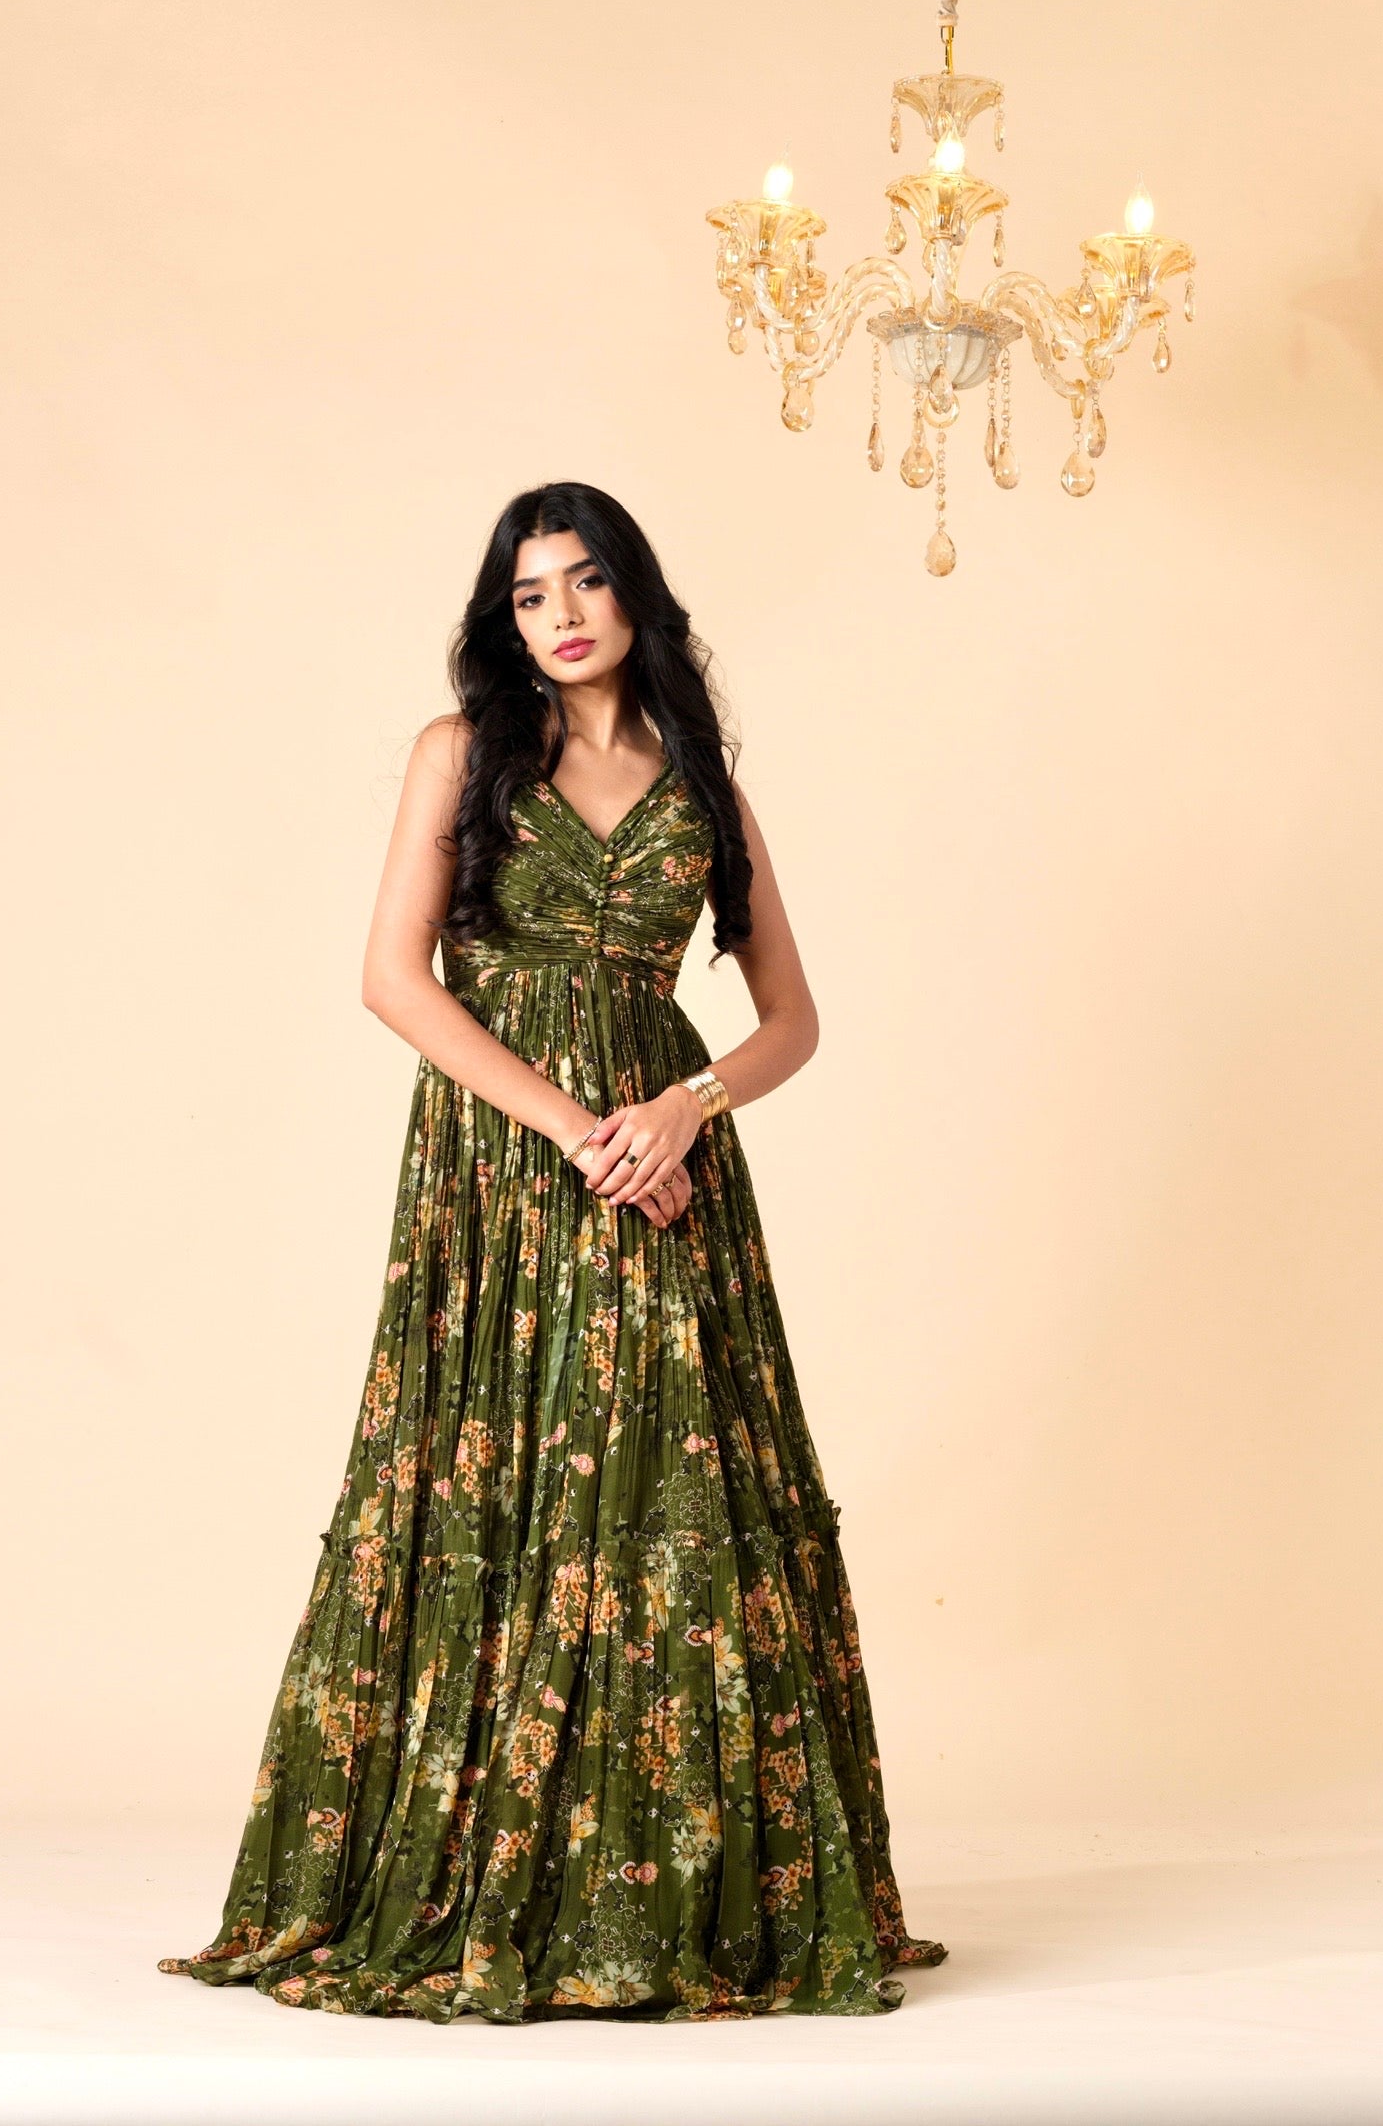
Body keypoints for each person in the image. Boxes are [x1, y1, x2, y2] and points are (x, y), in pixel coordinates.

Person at [158, 480, 946, 2020]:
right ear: (503, 617)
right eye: (531, 593)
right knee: (500, 1472)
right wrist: (579, 1126)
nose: (564, 613)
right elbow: (396, 979)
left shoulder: (703, 782)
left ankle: (676, 1902)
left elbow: (791, 1019)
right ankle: (471, 1870)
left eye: (586, 582)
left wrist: (686, 1103)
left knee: (665, 1486)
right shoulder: (458, 756)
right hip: (505, 1165)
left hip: (667, 1171)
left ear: (635, 592)